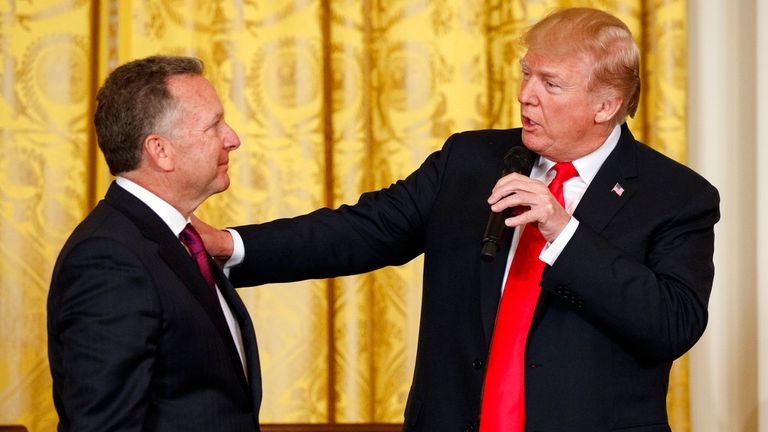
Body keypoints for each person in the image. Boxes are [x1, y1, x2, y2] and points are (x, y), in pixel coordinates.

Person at [200, 7, 720, 432]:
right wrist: (230, 245)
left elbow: (672, 323)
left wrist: (564, 233)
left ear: (606, 104)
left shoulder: (675, 196)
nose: (525, 94)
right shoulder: (469, 161)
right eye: (526, 73)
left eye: (551, 84)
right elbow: (362, 229)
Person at [47, 55, 262, 431]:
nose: (233, 139)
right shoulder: (108, 260)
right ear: (160, 150)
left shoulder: (177, 239)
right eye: (214, 126)